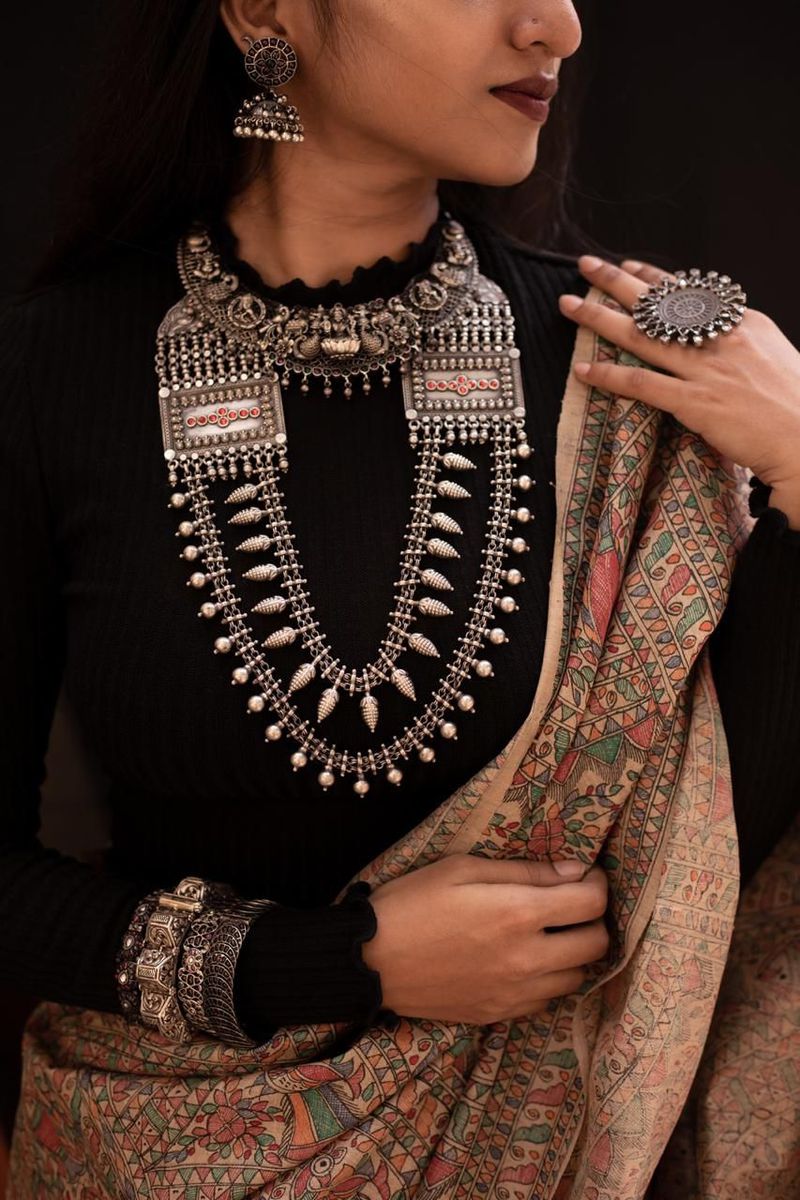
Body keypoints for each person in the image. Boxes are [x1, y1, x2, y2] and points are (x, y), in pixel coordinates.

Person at [1, 0, 799, 1196]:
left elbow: (714, 840)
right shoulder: (50, 371)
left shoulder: (632, 374)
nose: (556, 27)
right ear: (263, 12)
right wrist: (333, 963)